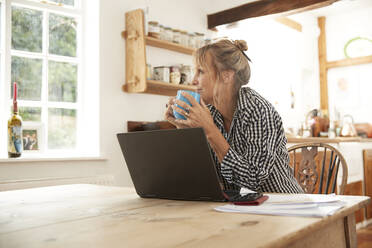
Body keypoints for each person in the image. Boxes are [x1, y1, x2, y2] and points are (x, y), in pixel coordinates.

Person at [165, 39, 303, 193]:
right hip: (239, 207)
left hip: (283, 205)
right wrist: (183, 129)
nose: (193, 80)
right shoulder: (210, 112)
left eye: (201, 71)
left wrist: (210, 131)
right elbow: (200, 175)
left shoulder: (258, 110)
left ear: (226, 76)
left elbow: (252, 181)